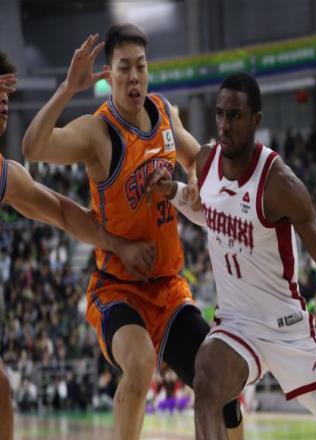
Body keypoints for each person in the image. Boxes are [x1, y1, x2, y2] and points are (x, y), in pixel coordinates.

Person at [145, 72, 316, 440]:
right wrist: (173, 191)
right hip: (237, 325)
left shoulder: (280, 184)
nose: (224, 125)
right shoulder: (206, 164)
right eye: (219, 114)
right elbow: (211, 212)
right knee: (206, 381)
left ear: (256, 120)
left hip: (287, 328)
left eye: (235, 115)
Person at [22, 25, 242, 440]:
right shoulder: (97, 133)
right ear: (108, 74)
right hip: (118, 288)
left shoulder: (163, 112)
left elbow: (198, 157)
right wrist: (68, 89)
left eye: (141, 66)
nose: (135, 77)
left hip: (168, 288)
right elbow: (33, 148)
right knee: (140, 363)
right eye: (124, 68)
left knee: (221, 379)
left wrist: (197, 178)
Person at [0, 53, 154, 440]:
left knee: (0, 390)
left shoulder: (4, 175)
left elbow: (63, 212)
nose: (4, 102)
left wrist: (117, 244)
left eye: (5, 95)